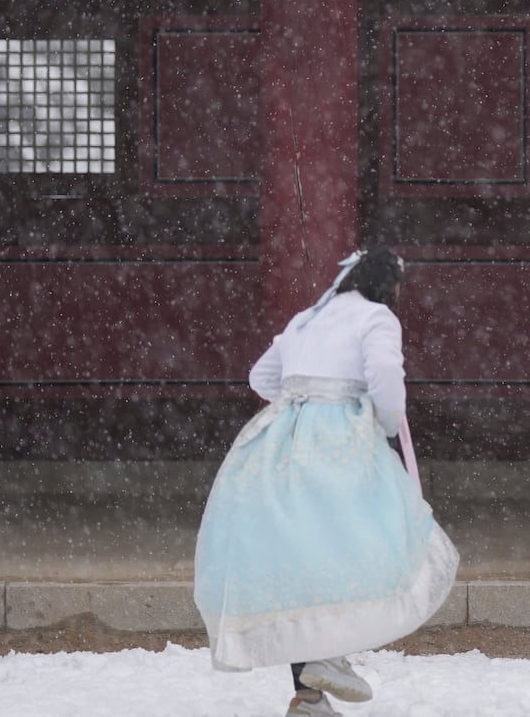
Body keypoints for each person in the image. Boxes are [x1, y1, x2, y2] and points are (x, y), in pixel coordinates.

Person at [194, 247, 459, 717]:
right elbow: (384, 377)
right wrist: (384, 422)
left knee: (299, 561)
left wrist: (302, 395)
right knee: (358, 544)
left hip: (276, 442)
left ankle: (310, 694)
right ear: (387, 285)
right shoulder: (378, 318)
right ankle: (328, 657)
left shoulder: (304, 319)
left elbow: (262, 376)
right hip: (340, 441)